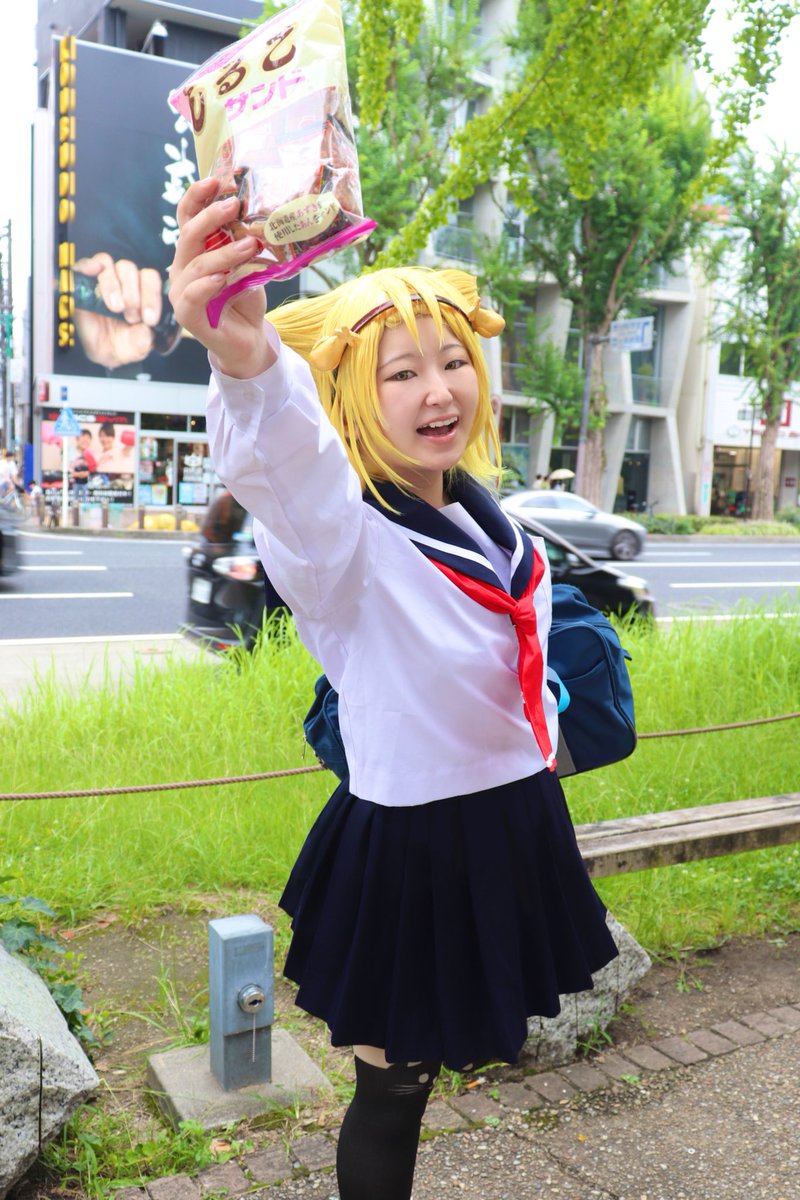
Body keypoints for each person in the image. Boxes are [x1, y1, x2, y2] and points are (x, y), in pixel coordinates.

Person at [168, 177, 618, 1200]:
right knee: (394, 1086)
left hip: (512, 817)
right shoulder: (343, 540)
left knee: (449, 1060)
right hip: (415, 843)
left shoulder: (485, 517)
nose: (438, 391)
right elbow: (291, 473)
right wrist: (246, 359)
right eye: (400, 372)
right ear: (349, 397)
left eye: (452, 361)